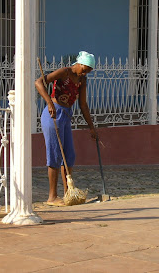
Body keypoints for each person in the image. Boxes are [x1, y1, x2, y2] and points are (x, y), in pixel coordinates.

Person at [35, 51, 98, 206]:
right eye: (85, 68)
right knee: (55, 154)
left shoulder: (82, 80)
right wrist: (49, 103)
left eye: (89, 70)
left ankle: (68, 193)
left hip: (66, 115)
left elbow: (83, 104)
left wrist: (91, 127)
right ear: (79, 63)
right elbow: (39, 82)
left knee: (69, 155)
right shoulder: (64, 72)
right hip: (53, 114)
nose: (86, 72)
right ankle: (52, 197)